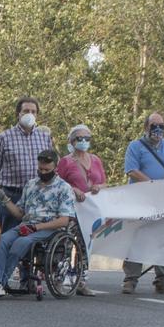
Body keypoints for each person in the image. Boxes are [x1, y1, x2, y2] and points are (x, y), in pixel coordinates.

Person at [0, 150, 75, 298]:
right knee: (4, 239)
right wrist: (4, 199)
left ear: (55, 168)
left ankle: (0, 282)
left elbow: (64, 220)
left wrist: (37, 227)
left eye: (47, 170)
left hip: (49, 228)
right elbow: (20, 213)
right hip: (27, 224)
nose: (43, 172)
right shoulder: (31, 185)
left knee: (20, 243)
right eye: (40, 169)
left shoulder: (64, 188)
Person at [118, 112, 164, 294]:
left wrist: (162, 185)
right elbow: (132, 170)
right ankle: (130, 279)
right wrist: (151, 185)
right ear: (146, 127)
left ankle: (162, 279)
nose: (158, 130)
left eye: (161, 126)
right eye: (154, 125)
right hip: (140, 199)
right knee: (137, 237)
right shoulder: (135, 146)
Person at [54, 125, 104, 296]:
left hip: (90, 210)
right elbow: (57, 182)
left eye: (87, 139)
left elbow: (104, 182)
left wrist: (98, 187)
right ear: (71, 141)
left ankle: (82, 281)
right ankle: (60, 279)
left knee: (85, 246)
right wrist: (73, 189)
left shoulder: (96, 160)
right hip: (71, 209)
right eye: (79, 138)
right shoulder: (66, 161)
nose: (83, 142)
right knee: (66, 244)